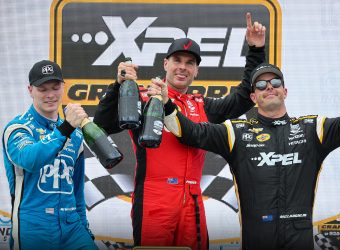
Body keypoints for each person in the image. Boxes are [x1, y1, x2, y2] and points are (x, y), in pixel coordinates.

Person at [93, 13, 266, 250]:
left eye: (190, 63)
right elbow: (103, 124)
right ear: (166, 64)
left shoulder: (203, 106)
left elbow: (245, 97)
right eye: (177, 60)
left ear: (197, 71)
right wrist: (118, 86)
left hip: (193, 200)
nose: (182, 67)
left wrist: (256, 50)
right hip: (155, 198)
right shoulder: (144, 99)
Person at [157, 61, 340, 250]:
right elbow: (189, 132)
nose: (269, 87)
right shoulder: (236, 132)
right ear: (253, 97)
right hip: (257, 238)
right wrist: (166, 104)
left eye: (275, 83)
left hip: (299, 238)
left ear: (285, 91)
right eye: (260, 85)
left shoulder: (312, 129)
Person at [2, 60, 97, 250]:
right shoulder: (18, 128)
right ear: (30, 90)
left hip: (72, 226)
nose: (50, 95)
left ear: (63, 87)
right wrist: (65, 128)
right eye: (43, 89)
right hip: (34, 226)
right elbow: (30, 159)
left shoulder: (76, 134)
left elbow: (77, 190)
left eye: (55, 87)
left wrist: (84, 226)